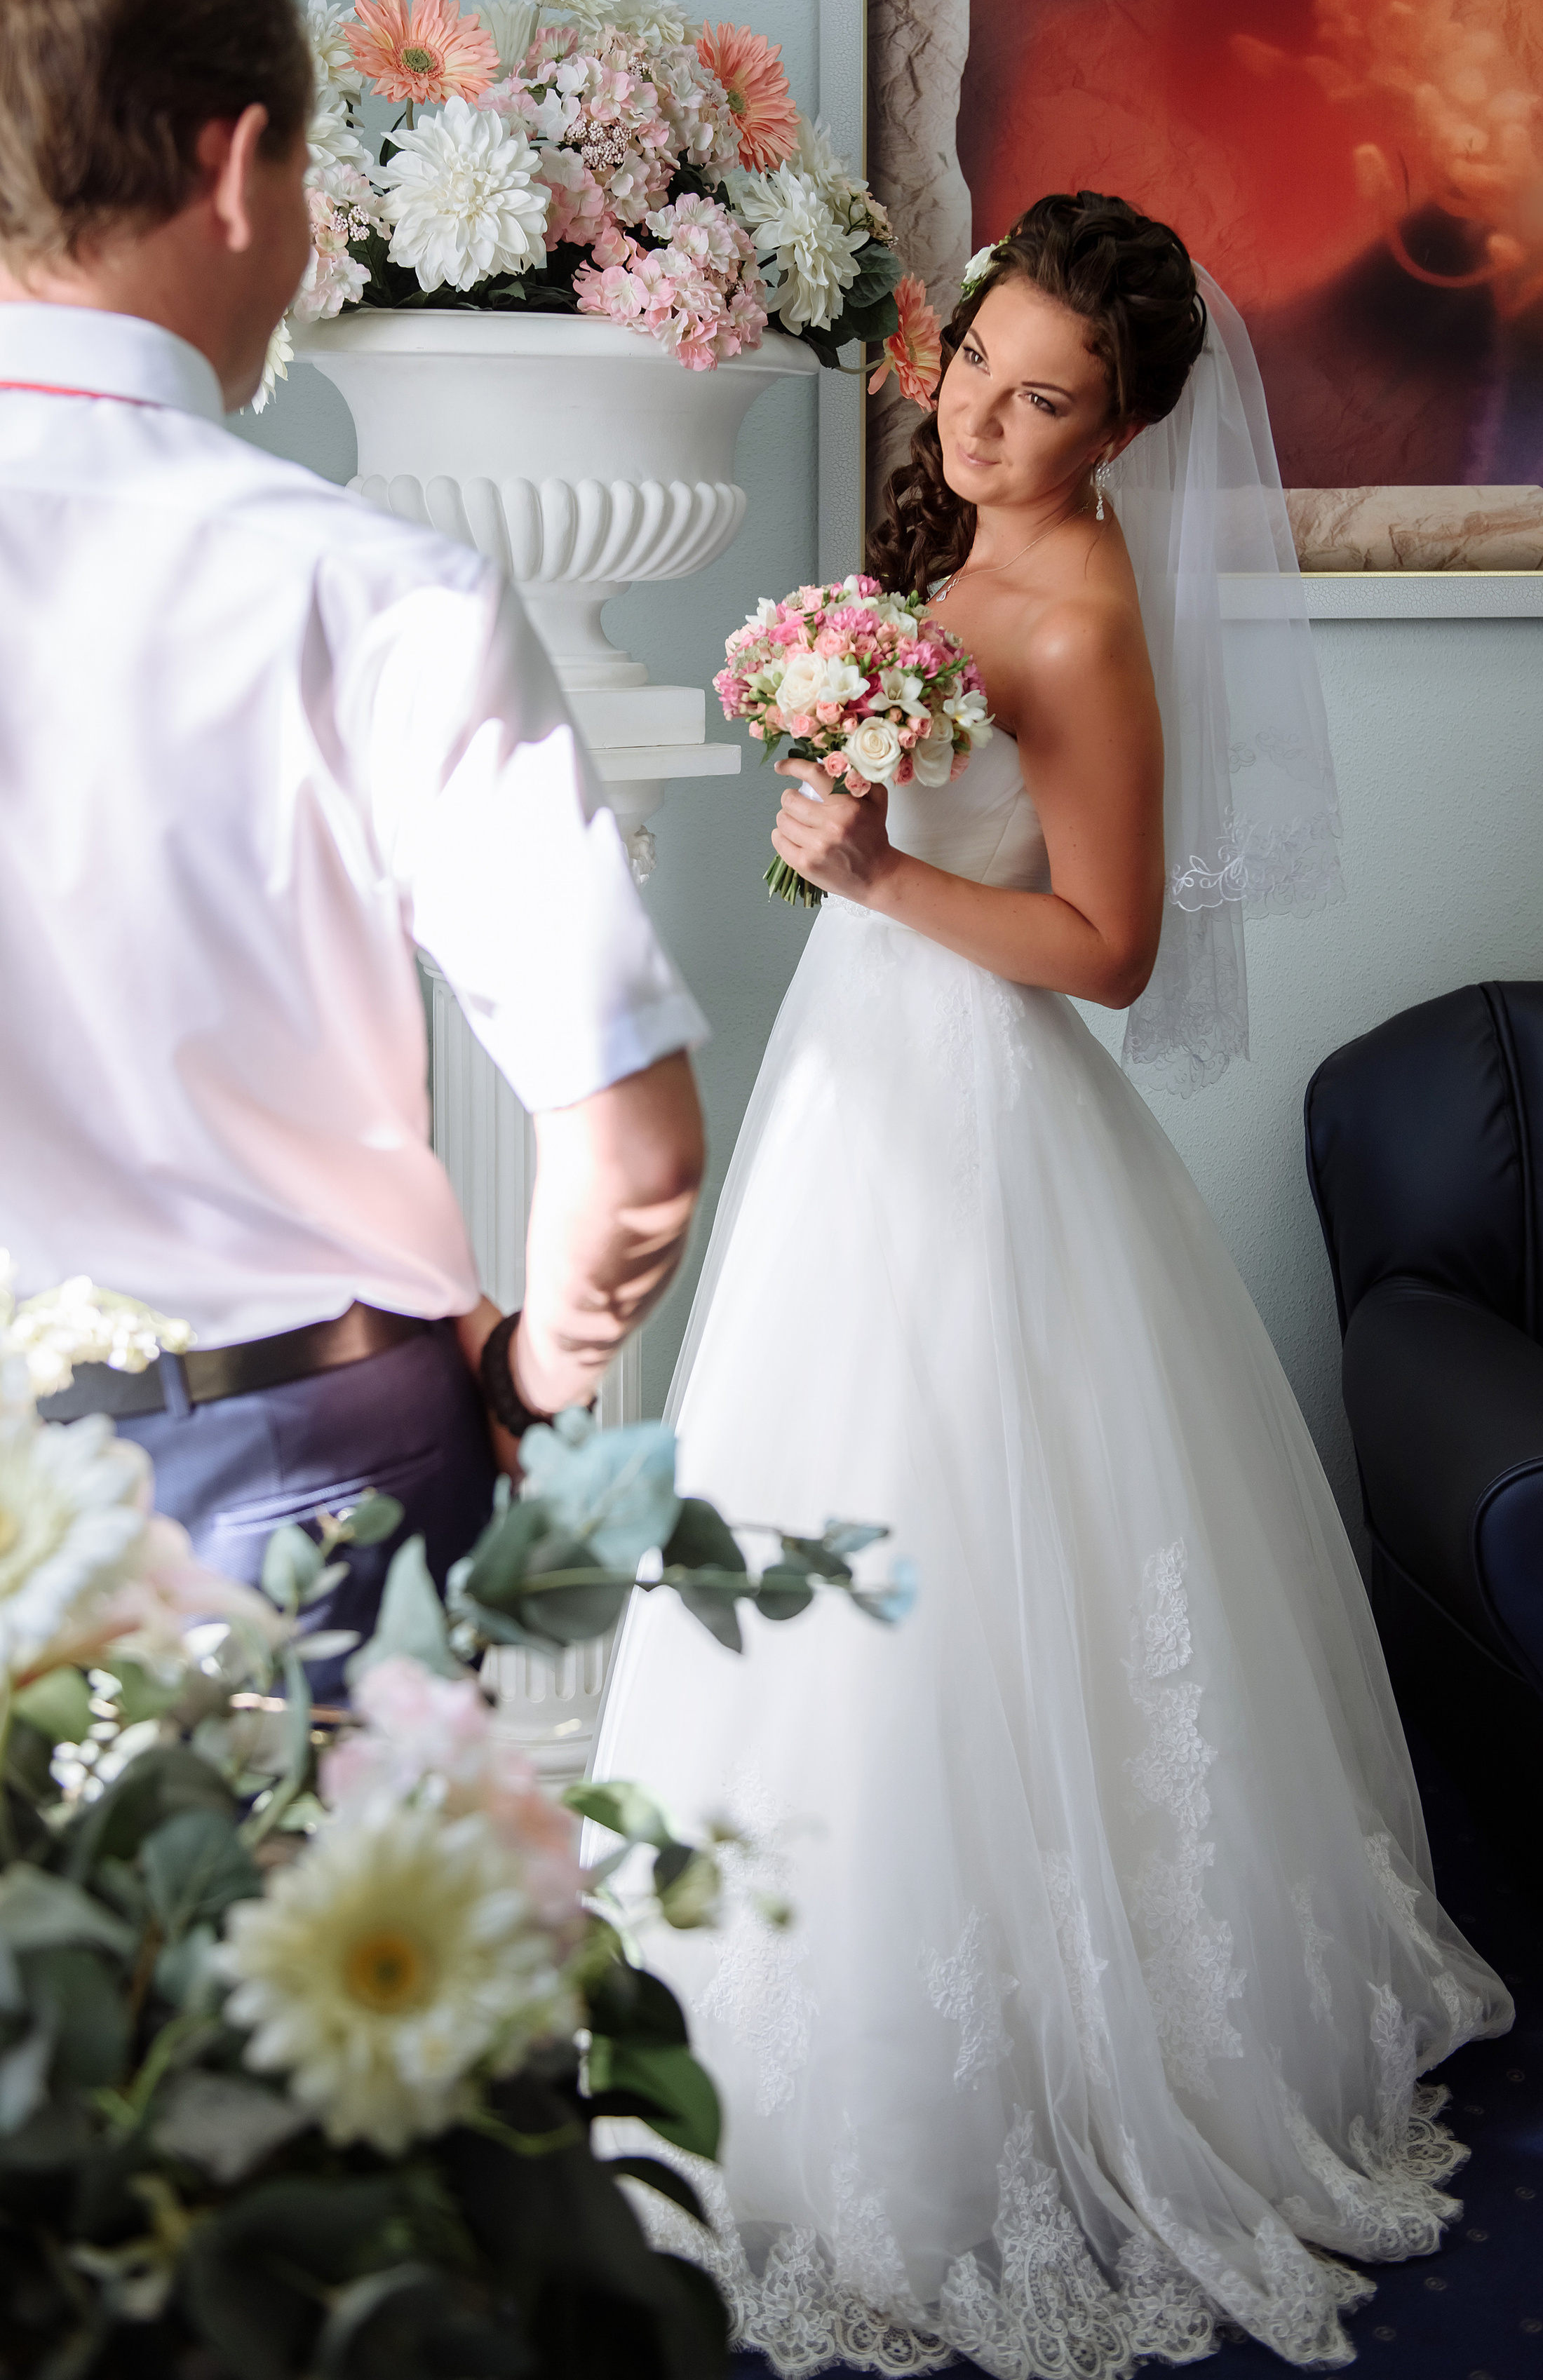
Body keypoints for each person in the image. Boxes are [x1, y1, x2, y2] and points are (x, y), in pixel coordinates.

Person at [591, 194, 1511, 2374]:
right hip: (860, 1087)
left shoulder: (1087, 608)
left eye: (1044, 402)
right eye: (975, 369)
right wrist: (850, 794)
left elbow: (1107, 949)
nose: (984, 423)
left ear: (1126, 432)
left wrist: (880, 866)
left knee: (965, 1535)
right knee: (810, 1513)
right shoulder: (959, 541)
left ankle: (1011, 2047)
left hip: (986, 1111)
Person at [0, 0, 706, 1665]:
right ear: (239, 161)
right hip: (311, 1477)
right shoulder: (381, 595)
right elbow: (635, 1153)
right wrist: (528, 1386)